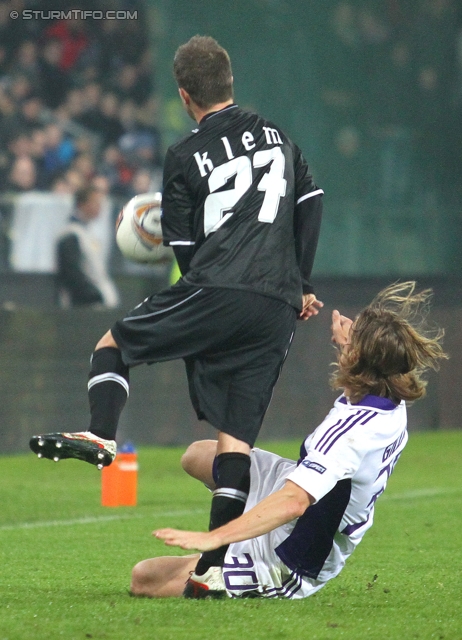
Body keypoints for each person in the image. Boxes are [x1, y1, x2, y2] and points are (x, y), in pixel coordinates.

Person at [30, 36, 324, 597]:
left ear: (185, 95)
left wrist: (204, 303)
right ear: (230, 80)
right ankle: (212, 570)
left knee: (112, 344)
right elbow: (310, 202)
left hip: (218, 286)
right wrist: (301, 281)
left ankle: (101, 434)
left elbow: (187, 252)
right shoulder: (279, 136)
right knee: (234, 439)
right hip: (279, 304)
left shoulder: (184, 155)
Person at [132, 282, 447, 599]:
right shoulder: (388, 386)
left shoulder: (351, 433)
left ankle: (240, 551)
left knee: (145, 579)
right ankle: (245, 528)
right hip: (295, 486)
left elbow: (294, 503)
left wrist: (214, 538)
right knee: (198, 455)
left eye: (355, 330)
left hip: (296, 553)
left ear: (357, 355)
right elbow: (382, 359)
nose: (345, 325)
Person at [55, 185, 119, 308]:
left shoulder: (87, 234)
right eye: (95, 203)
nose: (99, 207)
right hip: (84, 307)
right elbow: (73, 274)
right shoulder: (70, 235)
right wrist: (94, 296)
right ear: (82, 205)